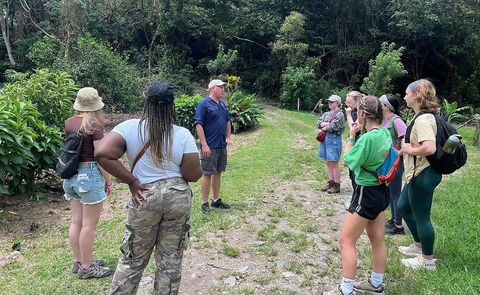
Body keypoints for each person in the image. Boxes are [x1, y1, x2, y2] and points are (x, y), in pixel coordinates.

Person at [95, 81, 202, 294]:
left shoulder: (128, 128)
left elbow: (102, 154)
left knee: (132, 259)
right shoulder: (182, 134)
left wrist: (132, 181)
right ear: (172, 106)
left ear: (147, 104)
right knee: (170, 261)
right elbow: (193, 175)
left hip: (144, 196)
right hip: (177, 198)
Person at [324, 95, 391, 295]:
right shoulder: (385, 133)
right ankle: (376, 284)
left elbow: (349, 159)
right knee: (377, 239)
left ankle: (345, 290)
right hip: (381, 190)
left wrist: (351, 136)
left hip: (365, 192)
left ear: (362, 114)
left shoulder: (367, 138)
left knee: (346, 241)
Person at [62, 87, 113, 279]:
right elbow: (101, 156)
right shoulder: (95, 125)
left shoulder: (69, 123)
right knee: (89, 225)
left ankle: (78, 261)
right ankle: (87, 267)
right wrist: (108, 180)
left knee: (76, 221)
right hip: (89, 174)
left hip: (71, 176)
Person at [397, 79, 441, 270]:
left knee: (422, 216)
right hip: (415, 173)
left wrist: (408, 149)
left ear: (417, 95)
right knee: (403, 206)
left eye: (407, 93)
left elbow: (429, 148)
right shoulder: (420, 116)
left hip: (424, 173)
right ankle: (418, 245)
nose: (404, 96)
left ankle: (427, 259)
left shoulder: (423, 119)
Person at [195, 79, 232, 213]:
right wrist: (204, 145)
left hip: (221, 145)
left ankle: (216, 200)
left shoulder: (222, 105)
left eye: (223, 87)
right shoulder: (203, 104)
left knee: (218, 172)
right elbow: (199, 124)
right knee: (207, 173)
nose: (223, 89)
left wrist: (228, 137)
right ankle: (204, 203)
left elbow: (228, 121)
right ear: (212, 89)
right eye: (220, 87)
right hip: (209, 146)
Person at [379, 94, 407, 235]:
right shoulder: (385, 120)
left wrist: (396, 156)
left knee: (396, 193)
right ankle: (394, 219)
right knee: (391, 192)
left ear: (386, 106)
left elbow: (405, 141)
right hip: (387, 162)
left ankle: (398, 226)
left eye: (380, 103)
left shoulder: (397, 121)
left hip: (395, 163)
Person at [317, 95, 345, 194]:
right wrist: (326, 124)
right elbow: (318, 123)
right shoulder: (326, 113)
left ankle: (337, 185)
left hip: (334, 139)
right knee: (327, 162)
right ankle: (331, 182)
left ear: (337, 103)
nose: (329, 103)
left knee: (334, 163)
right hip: (325, 139)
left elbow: (334, 126)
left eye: (332, 102)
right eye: (329, 101)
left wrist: (324, 125)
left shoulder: (340, 114)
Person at [345, 91, 363, 190]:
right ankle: (355, 198)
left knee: (356, 171)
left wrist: (348, 115)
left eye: (349, 102)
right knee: (351, 173)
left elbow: (354, 128)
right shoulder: (353, 111)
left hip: (358, 141)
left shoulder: (361, 112)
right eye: (347, 102)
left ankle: (357, 199)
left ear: (357, 101)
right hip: (352, 142)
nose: (348, 104)